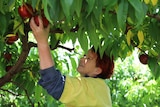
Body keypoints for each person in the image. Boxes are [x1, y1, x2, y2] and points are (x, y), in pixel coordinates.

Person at [30, 16, 114, 107]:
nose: (82, 59)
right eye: (84, 55)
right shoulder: (100, 90)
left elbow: (54, 82)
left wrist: (42, 42)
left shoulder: (94, 87)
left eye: (89, 58)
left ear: (97, 70)